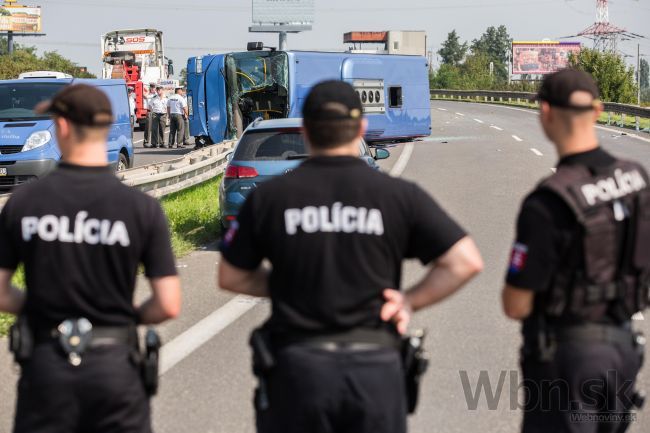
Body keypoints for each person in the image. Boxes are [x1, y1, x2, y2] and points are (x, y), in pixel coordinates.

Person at [218, 80, 483, 433]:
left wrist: (289, 283)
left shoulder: (270, 199)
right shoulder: (397, 195)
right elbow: (466, 261)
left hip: (298, 371)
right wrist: (408, 302)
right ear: (360, 129)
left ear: (307, 130)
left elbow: (231, 276)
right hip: (374, 371)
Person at [0, 84, 181, 433]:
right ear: (105, 128)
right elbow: (168, 305)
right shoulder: (141, 209)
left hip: (48, 366)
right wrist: (125, 317)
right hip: (115, 367)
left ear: (63, 127)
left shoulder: (25, 203)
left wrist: (37, 306)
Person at [502, 69, 649, 433]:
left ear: (545, 112)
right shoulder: (636, 180)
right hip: (622, 349)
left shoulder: (548, 201)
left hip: (567, 359)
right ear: (598, 111)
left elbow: (516, 304)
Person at [142, 83, 156, 148]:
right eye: (151, 87)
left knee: (155, 128)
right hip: (149, 112)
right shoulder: (148, 94)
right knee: (148, 128)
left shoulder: (156, 95)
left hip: (156, 112)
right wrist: (147, 91)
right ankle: (146, 142)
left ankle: (154, 142)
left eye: (154, 87)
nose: (153, 89)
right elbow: (144, 96)